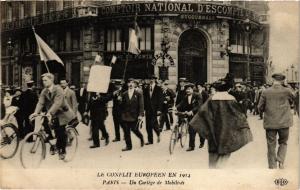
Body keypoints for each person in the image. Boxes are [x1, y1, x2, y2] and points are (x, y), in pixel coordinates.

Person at [190, 78, 253, 168]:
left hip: (214, 131)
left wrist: (206, 129)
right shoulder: (232, 99)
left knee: (212, 156)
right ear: (228, 89)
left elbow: (201, 114)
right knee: (225, 153)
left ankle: (212, 172)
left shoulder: (211, 99)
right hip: (227, 131)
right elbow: (239, 116)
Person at [30, 73, 77, 160]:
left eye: (46, 80)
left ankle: (62, 150)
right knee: (46, 127)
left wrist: (50, 113)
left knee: (60, 132)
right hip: (51, 113)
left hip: (62, 113)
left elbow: (57, 103)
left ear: (51, 80)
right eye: (43, 80)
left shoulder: (58, 89)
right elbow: (40, 103)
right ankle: (53, 144)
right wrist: (35, 113)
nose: (44, 82)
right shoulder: (44, 91)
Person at [258, 73, 295, 169]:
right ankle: (281, 160)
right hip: (284, 122)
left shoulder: (265, 92)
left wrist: (263, 112)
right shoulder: (287, 91)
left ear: (272, 80)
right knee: (283, 142)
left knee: (271, 145)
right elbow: (295, 97)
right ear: (282, 81)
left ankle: (272, 166)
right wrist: (287, 86)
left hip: (270, 123)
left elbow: (260, 107)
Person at [177, 83, 203, 151]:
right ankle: (191, 146)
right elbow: (181, 104)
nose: (187, 91)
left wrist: (192, 111)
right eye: (186, 89)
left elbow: (199, 105)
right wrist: (175, 108)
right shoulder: (186, 97)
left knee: (200, 131)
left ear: (192, 89)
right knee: (191, 130)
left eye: (189, 89)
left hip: (198, 115)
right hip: (190, 115)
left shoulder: (198, 95)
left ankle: (202, 141)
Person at [120, 78, 145, 151]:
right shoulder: (124, 94)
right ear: (127, 84)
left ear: (134, 84)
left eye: (132, 83)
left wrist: (141, 115)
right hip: (126, 115)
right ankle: (129, 146)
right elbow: (122, 105)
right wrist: (119, 101)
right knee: (126, 131)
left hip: (134, 115)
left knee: (134, 129)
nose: (130, 84)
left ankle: (141, 137)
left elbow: (141, 105)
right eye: (129, 83)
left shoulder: (138, 94)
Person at [143, 75, 163, 145]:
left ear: (155, 80)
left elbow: (160, 100)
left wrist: (159, 109)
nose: (151, 80)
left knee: (153, 124)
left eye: (153, 79)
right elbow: (144, 99)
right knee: (148, 125)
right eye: (150, 79)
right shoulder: (146, 88)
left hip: (155, 109)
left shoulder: (158, 88)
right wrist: (143, 109)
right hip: (148, 109)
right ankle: (150, 140)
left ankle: (158, 133)